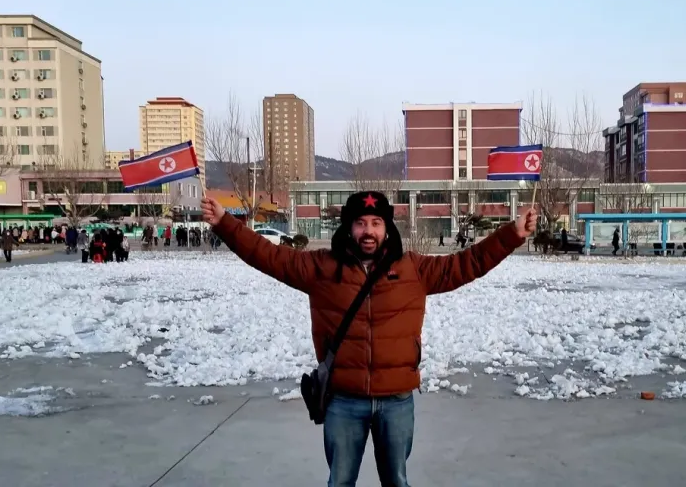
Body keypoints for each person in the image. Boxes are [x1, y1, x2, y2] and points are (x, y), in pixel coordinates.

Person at [202, 191, 536, 487]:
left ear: (387, 228)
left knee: (396, 481)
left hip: (397, 401)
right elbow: (267, 255)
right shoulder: (321, 268)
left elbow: (468, 263)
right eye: (361, 223)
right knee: (341, 481)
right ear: (349, 228)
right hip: (343, 400)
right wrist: (224, 223)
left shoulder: (413, 269)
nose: (368, 231)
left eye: (376, 223)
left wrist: (512, 234)